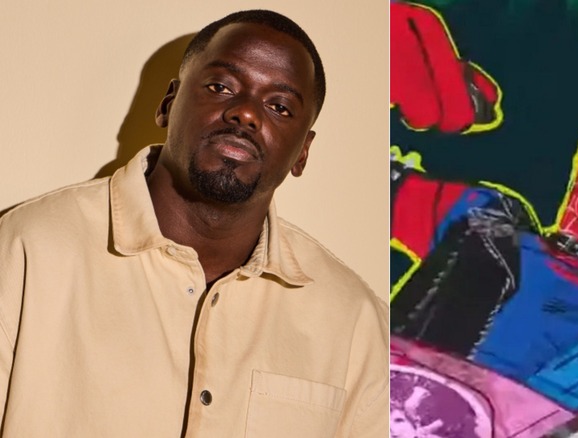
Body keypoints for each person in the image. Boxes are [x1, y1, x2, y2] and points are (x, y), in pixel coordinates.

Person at [0, 10, 388, 437]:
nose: (245, 114)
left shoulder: (354, 322)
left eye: (279, 106)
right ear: (168, 104)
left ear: (302, 152)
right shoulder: (27, 250)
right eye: (221, 87)